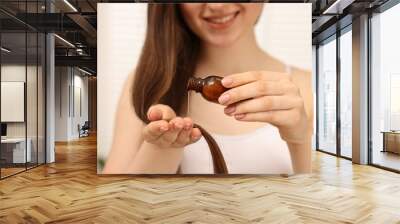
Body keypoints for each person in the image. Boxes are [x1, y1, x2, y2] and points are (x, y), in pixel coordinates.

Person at [103, 3, 313, 174]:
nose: (217, 5)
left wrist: (300, 141)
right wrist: (161, 148)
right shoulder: (149, 83)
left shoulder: (307, 87)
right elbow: (112, 208)